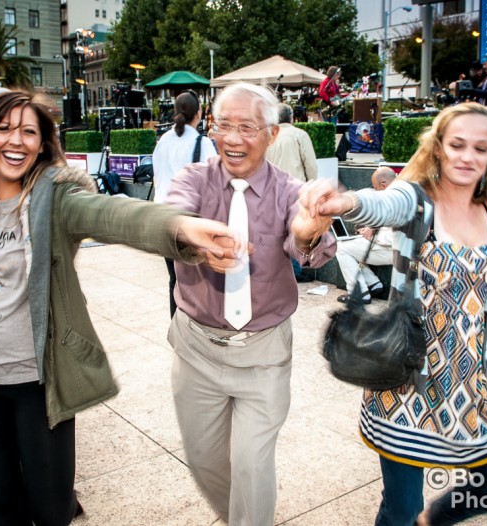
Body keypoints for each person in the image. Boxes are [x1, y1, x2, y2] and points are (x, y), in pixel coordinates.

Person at [0, 90, 240, 526]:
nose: (15, 140)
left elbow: (114, 215)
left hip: (36, 383)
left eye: (28, 131)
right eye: (4, 129)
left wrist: (181, 227)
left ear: (42, 143)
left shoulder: (55, 199)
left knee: (52, 509)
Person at [299, 102, 487, 525]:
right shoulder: (416, 200)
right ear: (438, 148)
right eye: (458, 144)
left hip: (468, 382)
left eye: (481, 148)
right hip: (407, 379)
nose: (468, 157)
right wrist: (345, 203)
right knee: (400, 508)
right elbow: (381, 204)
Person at [165, 83, 336, 526]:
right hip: (197, 348)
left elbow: (315, 246)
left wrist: (305, 234)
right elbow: (170, 219)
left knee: (251, 465)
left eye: (247, 127)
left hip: (264, 354)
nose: (234, 138)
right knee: (205, 462)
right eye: (224, 126)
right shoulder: (192, 179)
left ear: (272, 135)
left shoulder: (289, 190)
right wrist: (194, 237)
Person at [152, 90, 218, 318]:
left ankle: (177, 327)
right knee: (197, 281)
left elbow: (157, 177)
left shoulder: (162, 142)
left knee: (175, 280)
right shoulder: (203, 143)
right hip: (190, 223)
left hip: (162, 220)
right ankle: (195, 330)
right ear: (198, 113)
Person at [266, 102, 319, 282]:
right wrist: (313, 186)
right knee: (295, 232)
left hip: (272, 191)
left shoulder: (268, 137)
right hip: (296, 191)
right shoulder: (299, 135)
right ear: (292, 118)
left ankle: (280, 269)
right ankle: (295, 270)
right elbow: (310, 164)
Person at [334, 166, 396, 304]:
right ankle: (373, 284)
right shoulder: (402, 193)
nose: (375, 190)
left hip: (392, 250)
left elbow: (392, 235)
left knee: (340, 248)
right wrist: (371, 228)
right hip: (394, 248)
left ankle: (358, 293)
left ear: (383, 184)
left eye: (376, 187)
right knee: (350, 244)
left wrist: (373, 233)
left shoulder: (394, 198)